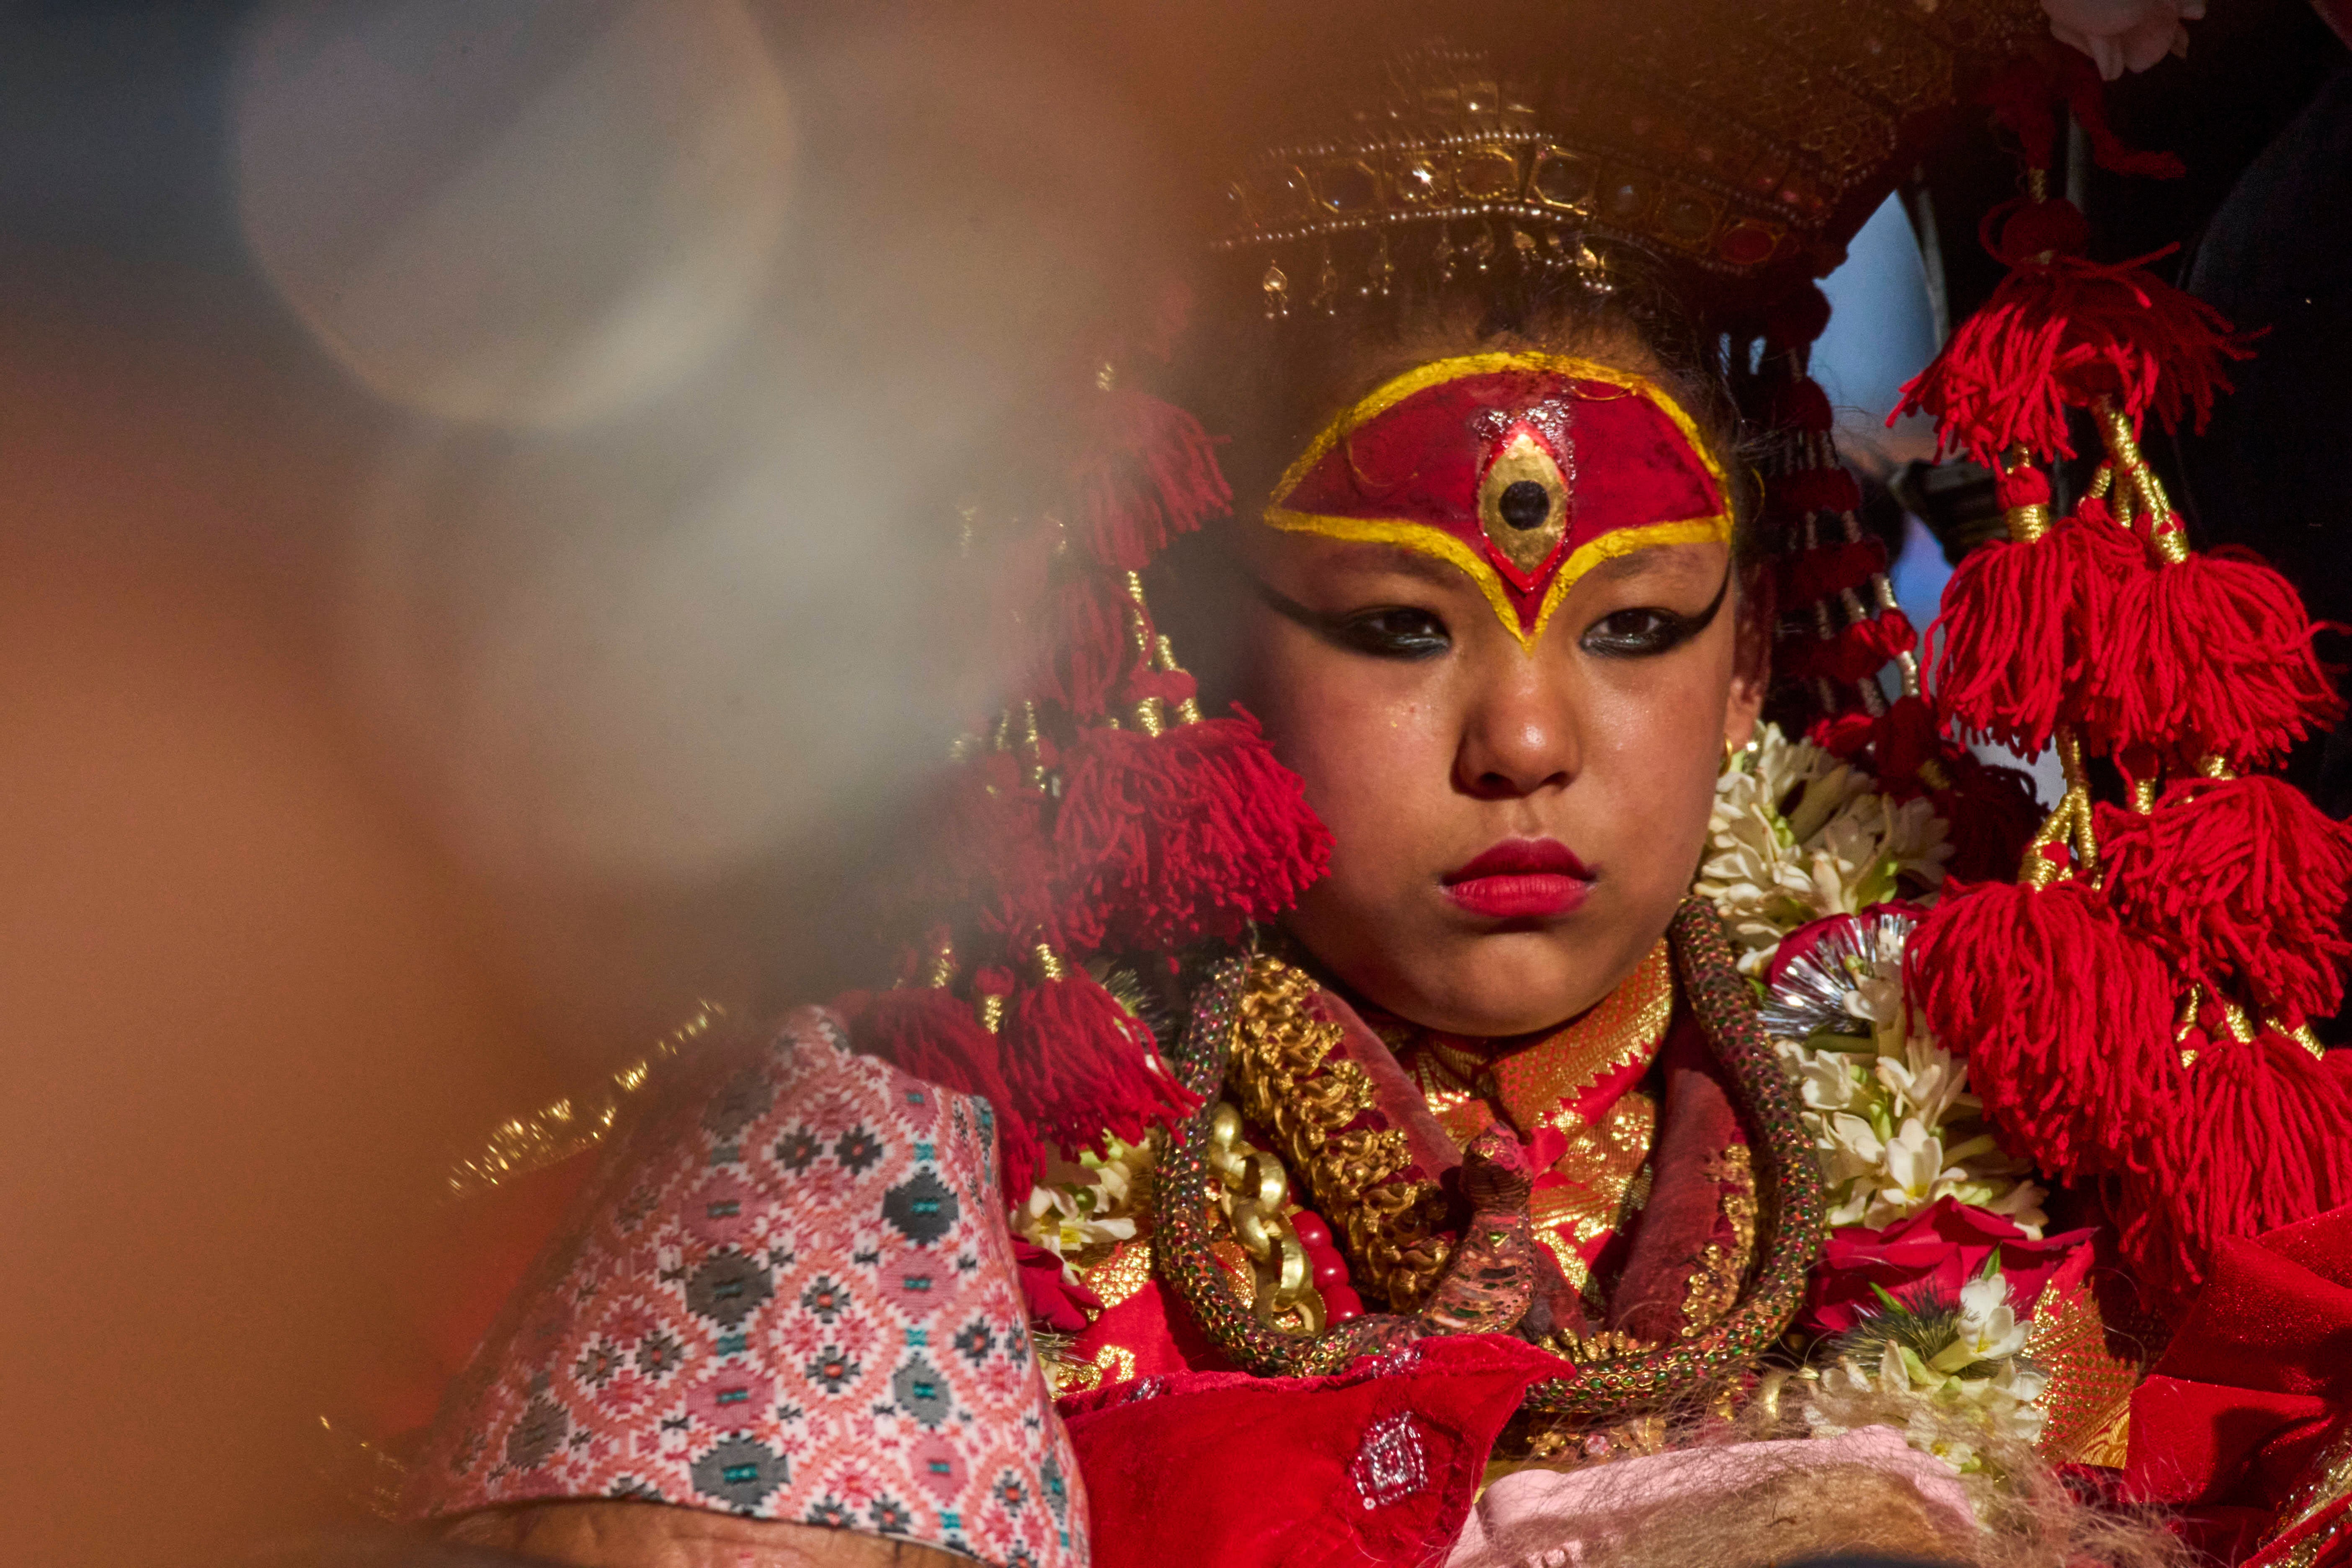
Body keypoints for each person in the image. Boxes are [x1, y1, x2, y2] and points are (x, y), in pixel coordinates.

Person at [385, 8, 2352, 1568]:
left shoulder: (2048, 1117)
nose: (1524, 743)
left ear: (1754, 653)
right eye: (1403, 633)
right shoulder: (928, 1173)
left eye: (1638, 628)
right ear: (1199, 652)